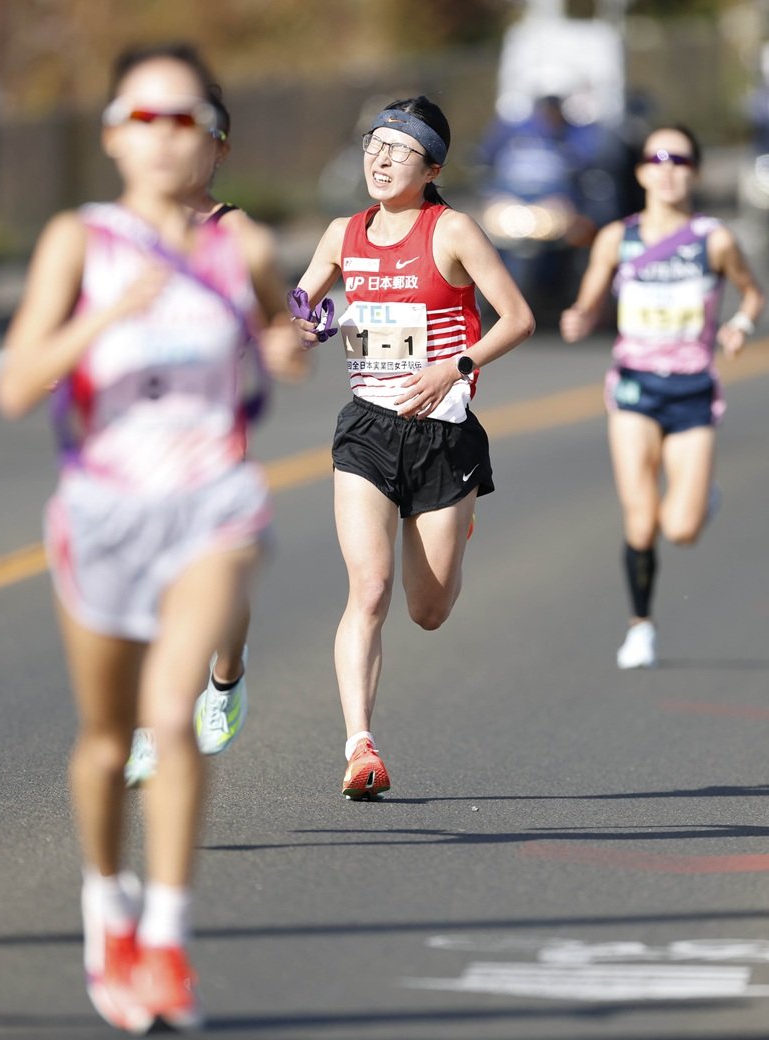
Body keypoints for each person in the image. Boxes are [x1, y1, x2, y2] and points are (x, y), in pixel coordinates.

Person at [0, 42, 291, 1032]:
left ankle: (166, 938)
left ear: (209, 137)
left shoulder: (239, 248)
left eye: (185, 119)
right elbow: (13, 384)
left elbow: (281, 343)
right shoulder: (79, 243)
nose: (166, 137)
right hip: (104, 509)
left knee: (172, 716)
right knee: (103, 739)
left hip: (213, 502)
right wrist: (106, 316)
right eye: (145, 117)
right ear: (115, 134)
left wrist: (291, 339)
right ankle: (106, 904)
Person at [292, 95, 534, 800]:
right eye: (373, 144)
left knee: (427, 611)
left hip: (444, 435)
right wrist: (307, 320)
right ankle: (359, 744)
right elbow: (304, 301)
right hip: (367, 430)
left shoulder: (452, 230)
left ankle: (458, 519)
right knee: (368, 589)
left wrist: (455, 366)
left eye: (398, 149)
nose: (380, 157)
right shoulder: (343, 233)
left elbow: (518, 318)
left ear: (431, 167)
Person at [122, 95, 309, 788]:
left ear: (221, 150)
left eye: (199, 136)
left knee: (214, 587)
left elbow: (279, 328)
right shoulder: (120, 232)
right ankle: (150, 727)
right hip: (136, 443)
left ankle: (226, 678)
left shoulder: (240, 237)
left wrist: (282, 348)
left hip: (212, 443)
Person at [560, 125, 765, 671]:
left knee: (682, 529)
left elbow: (752, 292)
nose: (668, 167)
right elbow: (589, 302)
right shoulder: (617, 239)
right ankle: (641, 628)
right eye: (658, 157)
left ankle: (702, 498)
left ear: (694, 171)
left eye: (681, 158)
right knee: (640, 517)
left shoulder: (713, 240)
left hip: (693, 391)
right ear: (642, 171)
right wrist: (580, 318)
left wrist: (740, 324)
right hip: (633, 387)